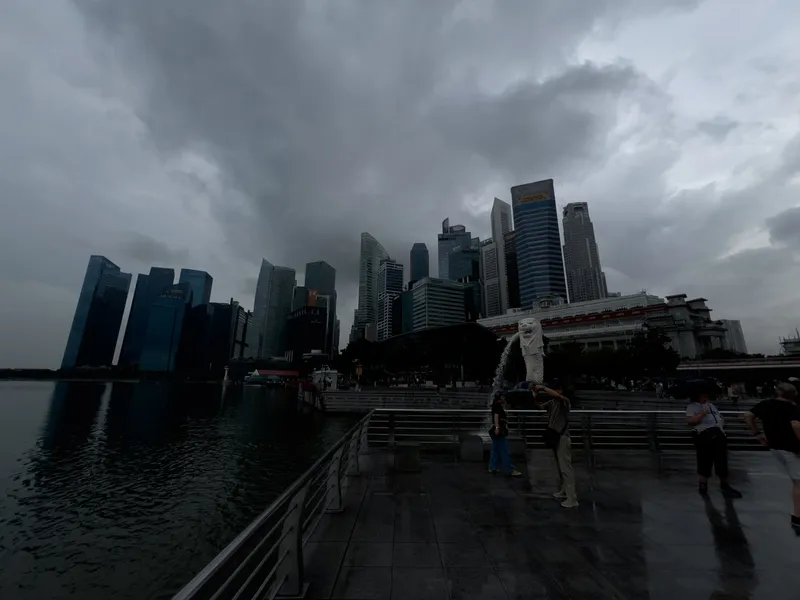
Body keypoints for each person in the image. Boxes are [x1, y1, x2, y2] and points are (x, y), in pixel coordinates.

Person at [744, 382, 800, 532]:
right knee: (798, 483)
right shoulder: (792, 408)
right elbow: (796, 425)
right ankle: (797, 517)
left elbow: (748, 416)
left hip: (775, 447)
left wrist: (758, 434)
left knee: (796, 480)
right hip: (792, 449)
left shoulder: (766, 404)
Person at [686, 380, 742, 498]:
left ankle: (724, 484)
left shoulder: (711, 405)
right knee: (704, 460)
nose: (706, 395)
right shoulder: (692, 407)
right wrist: (702, 413)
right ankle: (703, 485)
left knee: (721, 460)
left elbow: (719, 417)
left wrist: (721, 422)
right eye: (703, 394)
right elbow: (691, 421)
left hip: (718, 434)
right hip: (704, 435)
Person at [535, 381, 578, 508]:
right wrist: (534, 395)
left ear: (560, 390)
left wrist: (543, 387)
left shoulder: (565, 401)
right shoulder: (552, 402)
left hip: (563, 437)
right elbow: (540, 407)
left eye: (555, 389)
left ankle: (572, 498)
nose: (553, 392)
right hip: (555, 437)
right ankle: (564, 491)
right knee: (560, 466)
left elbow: (558, 396)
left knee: (566, 468)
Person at [488, 391, 521, 477]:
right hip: (499, 431)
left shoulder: (495, 405)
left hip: (497, 430)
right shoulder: (498, 406)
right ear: (499, 398)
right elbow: (496, 416)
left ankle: (492, 467)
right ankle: (510, 470)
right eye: (502, 397)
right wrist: (497, 427)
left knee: (495, 450)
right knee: (505, 451)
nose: (504, 398)